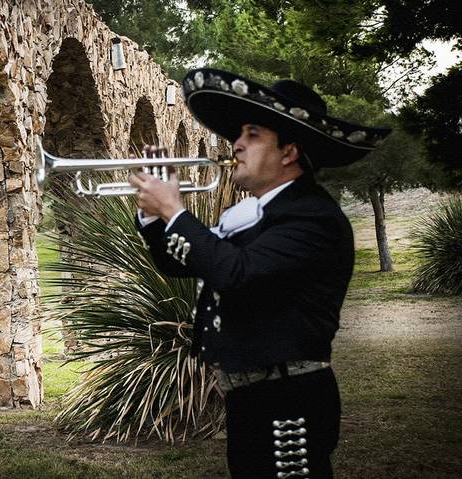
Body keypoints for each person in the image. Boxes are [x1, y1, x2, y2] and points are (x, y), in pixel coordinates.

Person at [129, 68, 391, 479]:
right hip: (253, 397)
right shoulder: (261, 216)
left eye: (252, 134)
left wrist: (174, 211)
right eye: (240, 135)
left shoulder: (312, 217)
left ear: (288, 152)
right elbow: (183, 262)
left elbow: (235, 273)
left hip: (289, 400)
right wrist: (153, 217)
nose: (236, 144)